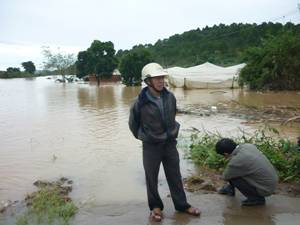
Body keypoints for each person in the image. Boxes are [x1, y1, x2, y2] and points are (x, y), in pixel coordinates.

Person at [129, 62, 200, 222]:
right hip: (151, 146)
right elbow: (133, 124)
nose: (161, 81)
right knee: (151, 177)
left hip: (169, 144)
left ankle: (182, 205)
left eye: (162, 77)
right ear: (148, 81)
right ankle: (155, 208)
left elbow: (172, 116)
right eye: (157, 78)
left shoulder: (170, 97)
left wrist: (172, 133)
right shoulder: (139, 102)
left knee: (175, 175)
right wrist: (145, 136)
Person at [215, 138, 278, 206]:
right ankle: (229, 189)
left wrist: (230, 160)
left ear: (226, 154)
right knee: (236, 171)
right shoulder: (248, 146)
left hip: (265, 189)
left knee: (233, 176)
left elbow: (225, 176)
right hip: (271, 183)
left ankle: (256, 198)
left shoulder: (237, 160)